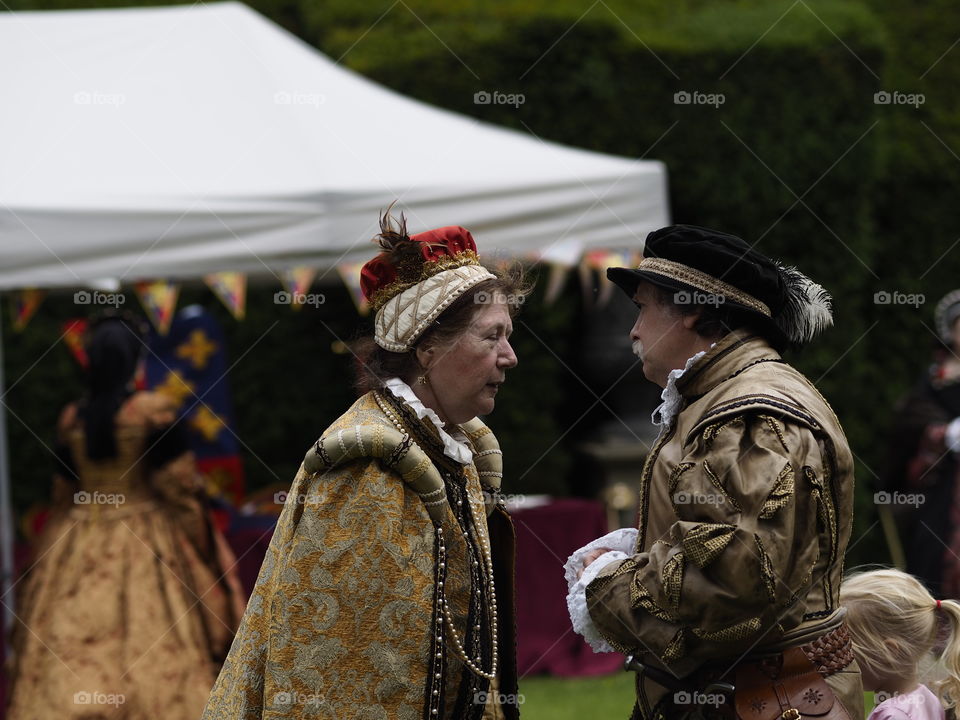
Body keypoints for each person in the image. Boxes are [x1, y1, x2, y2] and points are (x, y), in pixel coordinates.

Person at [201, 212, 525, 719]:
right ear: (427, 348)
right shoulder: (367, 467)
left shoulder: (449, 445)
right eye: (492, 337)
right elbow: (338, 678)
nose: (510, 356)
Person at [564, 225, 862, 720]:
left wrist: (607, 582)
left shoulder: (747, 417)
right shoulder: (723, 396)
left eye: (643, 308)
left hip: (756, 700)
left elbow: (735, 580)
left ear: (695, 313)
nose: (633, 330)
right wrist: (643, 547)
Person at [6, 313, 245, 720]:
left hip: (76, 537)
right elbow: (180, 490)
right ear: (135, 359)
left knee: (70, 647)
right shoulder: (152, 412)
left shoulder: (72, 418)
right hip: (146, 535)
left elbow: (62, 495)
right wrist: (205, 553)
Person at [882, 290, 960, 597]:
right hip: (942, 487)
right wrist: (942, 434)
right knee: (934, 556)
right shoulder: (933, 380)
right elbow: (908, 424)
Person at [841, 568, 960, 720]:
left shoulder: (894, 715)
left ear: (888, 652)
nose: (841, 661)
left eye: (847, 649)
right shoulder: (925, 698)